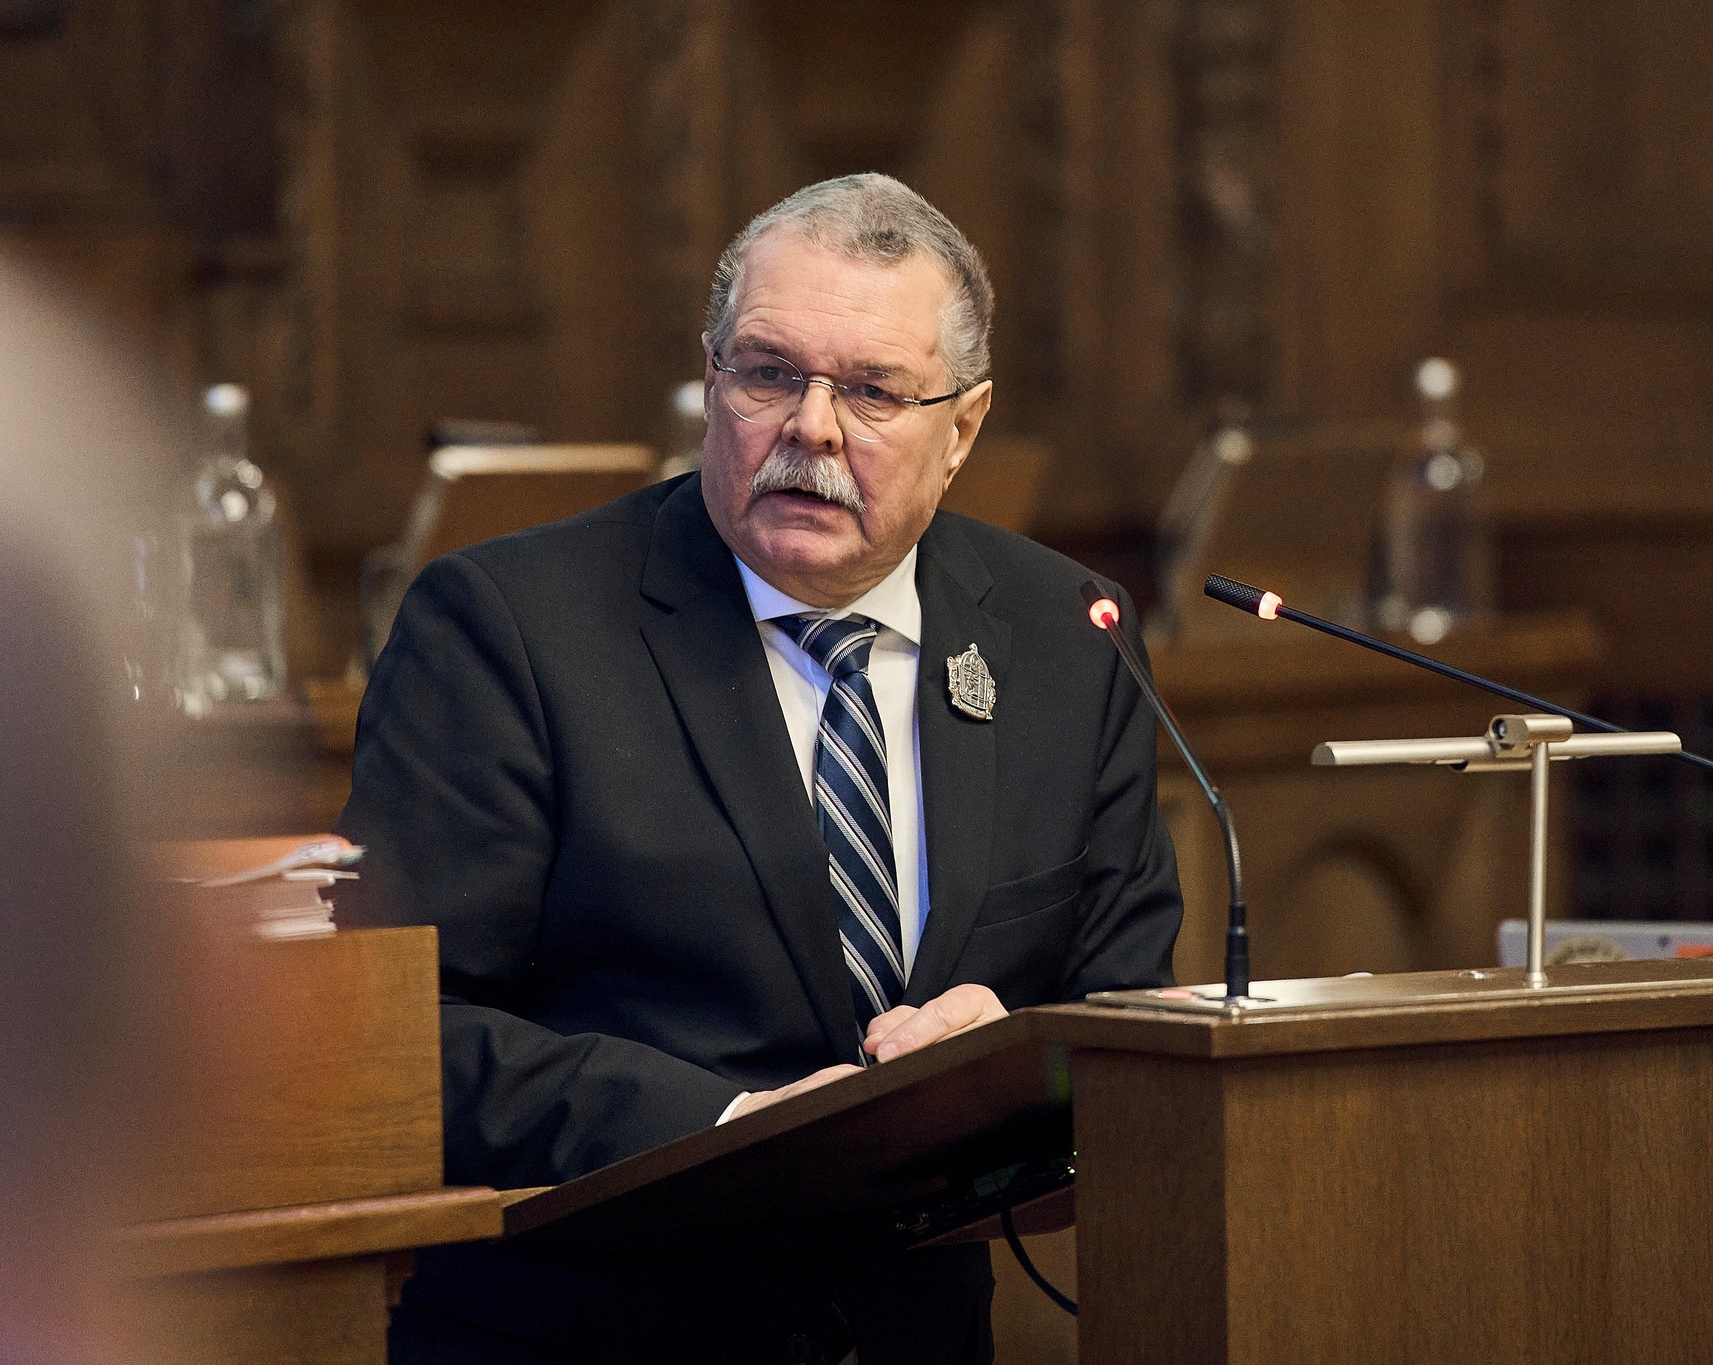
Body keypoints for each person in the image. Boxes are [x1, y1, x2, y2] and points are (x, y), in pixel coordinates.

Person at [339, 173, 1182, 1364]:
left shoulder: (1065, 633)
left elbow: (1128, 1002)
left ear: (965, 428)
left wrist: (1007, 1044)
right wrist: (730, 1128)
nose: (813, 427)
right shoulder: (507, 629)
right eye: (769, 373)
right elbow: (405, 1034)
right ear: (710, 377)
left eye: (875, 391)